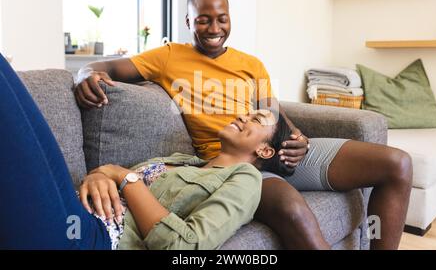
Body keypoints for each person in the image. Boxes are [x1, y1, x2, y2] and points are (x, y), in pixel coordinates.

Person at [74, 0, 413, 250]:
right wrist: (83, 75)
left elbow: (274, 116)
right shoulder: (167, 56)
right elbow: (102, 68)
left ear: (230, 18)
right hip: (234, 163)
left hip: (272, 149)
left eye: (222, 18)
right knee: (293, 211)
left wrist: (297, 139)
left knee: (396, 165)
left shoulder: (251, 63)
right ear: (189, 21)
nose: (214, 27)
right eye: (203, 19)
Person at [0, 53, 298, 249]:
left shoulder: (245, 179)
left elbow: (183, 248)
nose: (244, 115)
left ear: (265, 151)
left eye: (256, 119)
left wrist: (125, 178)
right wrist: (99, 174)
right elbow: (111, 176)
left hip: (87, 237)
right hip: (71, 204)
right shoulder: (185, 162)